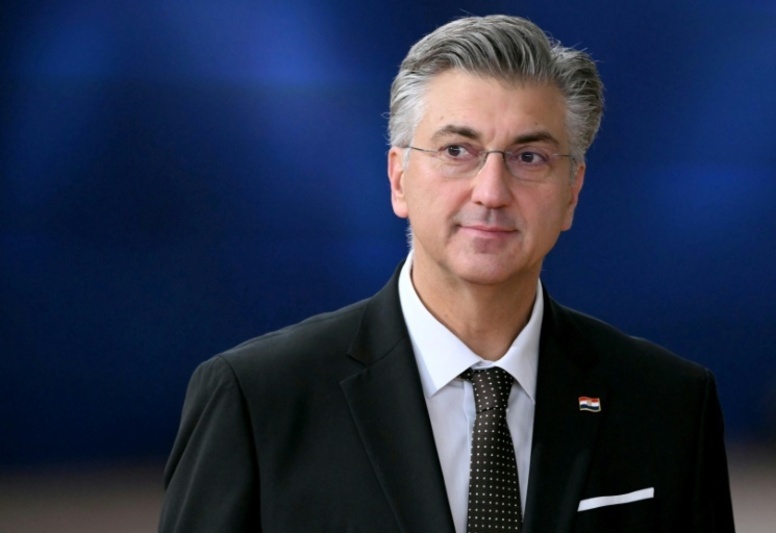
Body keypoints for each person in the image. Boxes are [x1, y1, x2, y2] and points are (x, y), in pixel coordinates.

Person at [159, 14, 735, 532]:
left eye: (529, 157)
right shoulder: (258, 399)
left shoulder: (668, 405)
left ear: (572, 192)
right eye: (457, 150)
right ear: (398, 179)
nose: (491, 192)